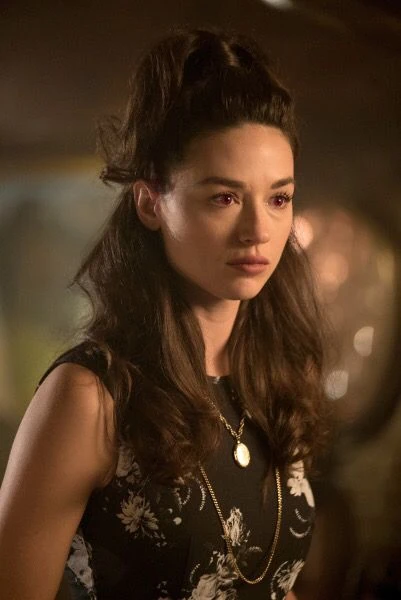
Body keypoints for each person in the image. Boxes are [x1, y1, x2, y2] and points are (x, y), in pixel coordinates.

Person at [0, 27, 328, 600]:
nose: (258, 229)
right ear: (151, 202)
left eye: (279, 198)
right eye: (224, 198)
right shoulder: (92, 396)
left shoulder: (276, 376)